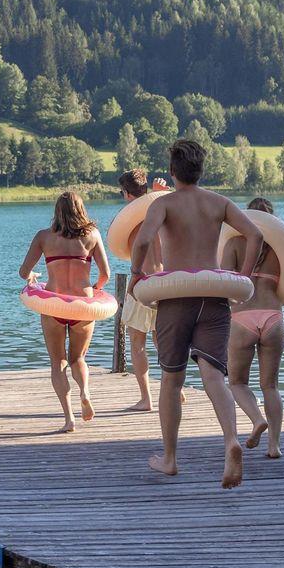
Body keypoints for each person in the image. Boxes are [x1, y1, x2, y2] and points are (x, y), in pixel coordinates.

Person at [129, 139, 261, 488]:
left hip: (176, 300)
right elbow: (256, 234)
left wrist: (137, 274)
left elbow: (143, 240)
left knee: (172, 380)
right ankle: (230, 440)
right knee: (214, 377)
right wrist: (244, 277)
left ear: (172, 171)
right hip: (213, 298)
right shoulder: (219, 203)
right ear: (201, 170)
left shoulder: (164, 203)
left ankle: (170, 459)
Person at [18, 190, 112, 433]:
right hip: (83, 305)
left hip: (54, 303)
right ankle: (85, 392)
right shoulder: (92, 235)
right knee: (78, 358)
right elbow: (105, 274)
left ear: (57, 211)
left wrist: (32, 277)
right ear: (81, 209)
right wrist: (96, 289)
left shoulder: (44, 237)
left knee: (58, 361)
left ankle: (69, 418)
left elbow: (23, 271)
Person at [223, 195, 284, 458]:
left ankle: (256, 418)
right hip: (273, 317)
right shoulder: (282, 249)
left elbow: (224, 283)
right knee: (270, 386)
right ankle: (274, 446)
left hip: (242, 317)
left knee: (237, 382)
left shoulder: (234, 244)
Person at [114, 169, 157, 412]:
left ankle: (146, 398)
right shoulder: (161, 216)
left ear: (127, 194)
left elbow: (137, 265)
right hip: (166, 283)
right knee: (163, 342)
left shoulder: (131, 226)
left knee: (137, 342)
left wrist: (131, 288)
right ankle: (177, 389)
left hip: (143, 283)